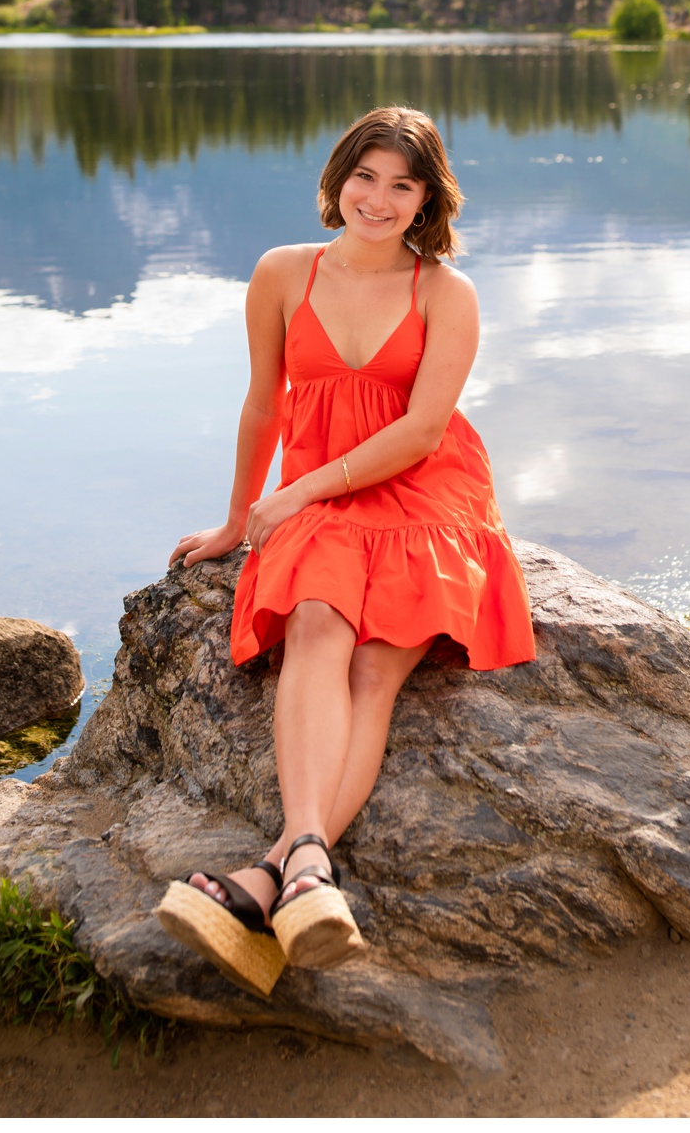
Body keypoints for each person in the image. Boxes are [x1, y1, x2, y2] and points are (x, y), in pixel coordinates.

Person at [155, 104, 533, 999]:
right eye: (366, 175)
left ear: (426, 199)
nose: (379, 197)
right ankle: (310, 879)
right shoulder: (283, 273)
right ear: (338, 179)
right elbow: (263, 407)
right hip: (319, 488)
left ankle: (274, 870)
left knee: (376, 670)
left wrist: (299, 492)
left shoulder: (447, 293)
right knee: (317, 627)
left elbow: (425, 430)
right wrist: (237, 518)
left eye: (403, 184)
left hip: (425, 490)